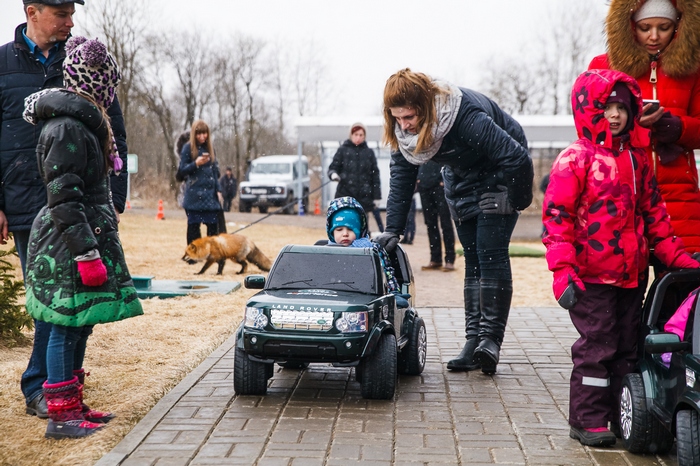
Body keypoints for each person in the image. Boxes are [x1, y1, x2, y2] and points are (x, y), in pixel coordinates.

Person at [542, 69, 700, 447]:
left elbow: (654, 215)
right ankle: (588, 419)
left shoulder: (636, 160)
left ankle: (625, 414)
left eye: (621, 107)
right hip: (591, 277)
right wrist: (562, 272)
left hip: (631, 276)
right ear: (588, 110)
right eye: (606, 107)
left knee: (630, 348)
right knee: (597, 348)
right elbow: (557, 219)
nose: (614, 115)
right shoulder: (575, 160)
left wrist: (677, 258)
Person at [0, 0, 130, 420]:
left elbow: (113, 128)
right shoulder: (3, 64)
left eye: (72, 13)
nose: (70, 22)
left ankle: (63, 386)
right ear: (33, 11)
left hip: (81, 204)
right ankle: (43, 390)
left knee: (74, 307)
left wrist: (114, 197)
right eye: (62, 14)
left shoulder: (80, 57)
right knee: (50, 302)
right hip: (25, 199)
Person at [22, 36, 143, 439]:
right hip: (69, 242)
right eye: (109, 87)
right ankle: (61, 415)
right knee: (64, 325)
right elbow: (64, 197)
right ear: (98, 86)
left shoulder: (87, 122)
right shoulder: (67, 128)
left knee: (81, 323)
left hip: (87, 234)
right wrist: (86, 252)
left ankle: (74, 404)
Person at [376, 68, 533, 375]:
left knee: (491, 253)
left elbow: (516, 157)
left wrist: (514, 200)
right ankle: (473, 342)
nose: (404, 125)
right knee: (472, 258)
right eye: (397, 118)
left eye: (409, 117)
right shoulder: (404, 133)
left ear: (425, 107)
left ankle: (490, 341)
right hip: (461, 180)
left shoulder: (464, 117)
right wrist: (393, 229)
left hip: (500, 173)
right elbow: (403, 176)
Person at [589, 0, 700, 254]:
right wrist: (631, 126)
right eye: (644, 27)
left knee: (683, 281)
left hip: (679, 193)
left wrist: (678, 128)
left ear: (679, 26)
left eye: (664, 27)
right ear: (630, 26)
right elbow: (589, 127)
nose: (653, 36)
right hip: (620, 187)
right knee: (623, 278)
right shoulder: (603, 66)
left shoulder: (694, 70)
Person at [326, 196, 409, 308]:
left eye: (350, 229)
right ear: (331, 232)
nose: (345, 234)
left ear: (360, 230)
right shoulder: (325, 252)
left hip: (369, 295)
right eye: (339, 230)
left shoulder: (372, 249)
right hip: (334, 297)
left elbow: (386, 272)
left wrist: (393, 293)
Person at [328, 122, 383, 232]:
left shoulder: (369, 153)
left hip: (364, 196)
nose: (358, 137)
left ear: (364, 136)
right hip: (345, 194)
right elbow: (333, 168)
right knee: (345, 224)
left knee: (362, 226)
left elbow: (375, 175)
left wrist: (377, 196)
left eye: (361, 135)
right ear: (351, 135)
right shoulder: (342, 150)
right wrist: (333, 174)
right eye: (356, 134)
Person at [179, 120, 224, 246]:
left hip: (210, 196)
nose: (202, 136)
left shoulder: (210, 148)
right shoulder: (187, 148)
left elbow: (215, 172)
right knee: (193, 227)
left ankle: (213, 254)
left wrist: (219, 190)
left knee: (213, 228)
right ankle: (194, 254)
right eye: (199, 134)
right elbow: (182, 170)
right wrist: (196, 164)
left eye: (204, 133)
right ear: (194, 134)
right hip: (194, 194)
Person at [417, 160, 456, 271]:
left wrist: (444, 179)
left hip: (440, 186)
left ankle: (449, 259)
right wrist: (419, 178)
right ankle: (435, 258)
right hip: (424, 185)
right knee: (430, 224)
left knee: (446, 223)